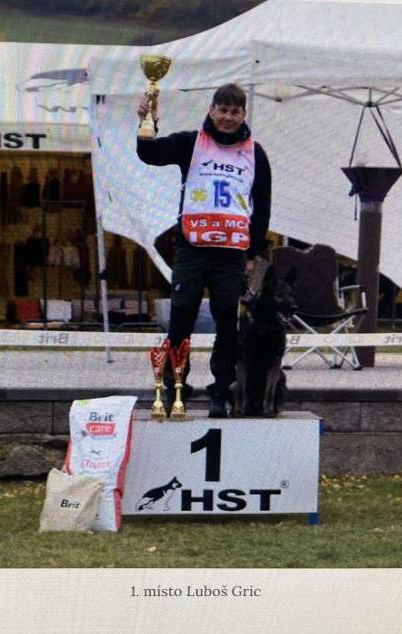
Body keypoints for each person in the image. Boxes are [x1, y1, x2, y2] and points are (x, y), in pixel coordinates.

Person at [136, 82, 272, 418]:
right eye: (222, 110)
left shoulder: (256, 154)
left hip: (231, 253)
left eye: (235, 111)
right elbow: (150, 155)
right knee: (181, 317)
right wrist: (146, 122)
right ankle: (174, 388)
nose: (228, 117)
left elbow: (262, 207)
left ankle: (220, 391)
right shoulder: (191, 143)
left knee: (226, 323)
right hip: (192, 249)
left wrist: (254, 254)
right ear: (211, 110)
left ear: (243, 114)